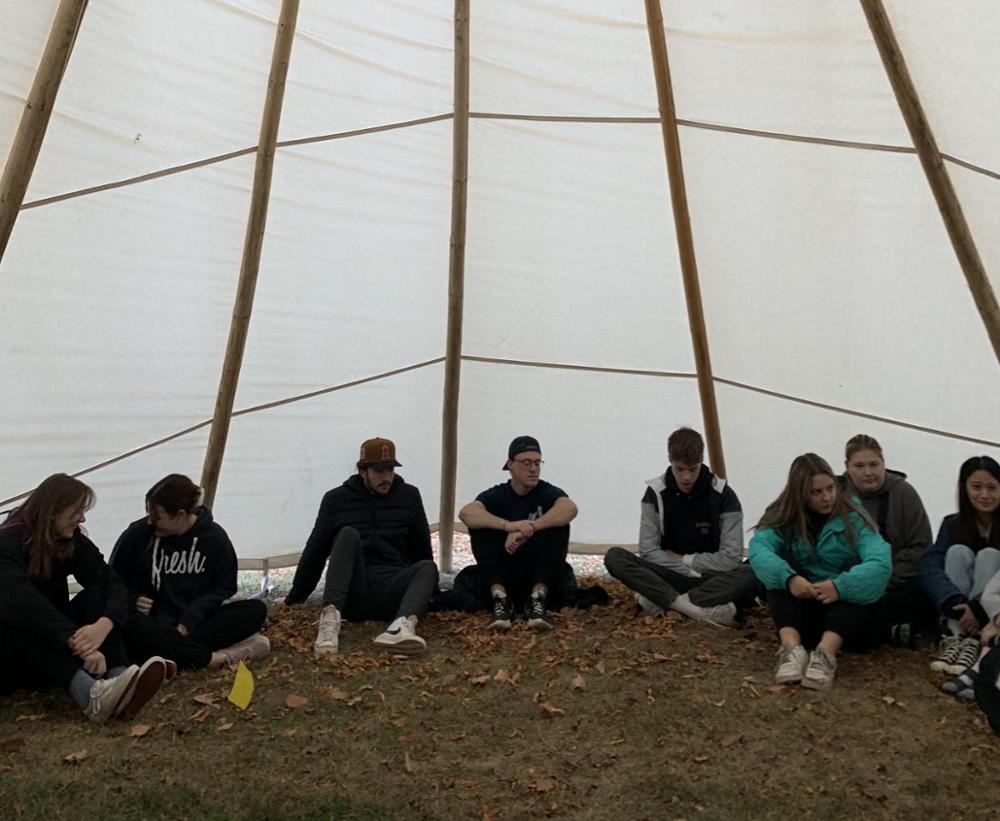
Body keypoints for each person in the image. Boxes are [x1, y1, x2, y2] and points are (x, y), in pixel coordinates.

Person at [0, 474, 167, 723]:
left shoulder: (71, 540)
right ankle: (92, 696)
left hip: (56, 647)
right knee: (20, 620)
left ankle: (119, 681)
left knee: (97, 595)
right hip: (14, 652)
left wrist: (103, 625)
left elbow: (113, 583)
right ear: (53, 510)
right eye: (77, 510)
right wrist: (76, 641)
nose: (83, 518)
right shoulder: (7, 541)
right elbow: (21, 602)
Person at [749, 454, 891, 691]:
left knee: (857, 578)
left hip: (847, 616)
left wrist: (839, 587)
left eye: (830, 488)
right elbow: (759, 549)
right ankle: (791, 649)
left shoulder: (855, 517)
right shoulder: (781, 516)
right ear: (800, 494)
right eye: (817, 492)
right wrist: (791, 579)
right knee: (780, 570)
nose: (827, 497)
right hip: (806, 604)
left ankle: (826, 653)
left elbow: (880, 562)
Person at [284, 437, 437, 656]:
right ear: (362, 470)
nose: (386, 478)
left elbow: (421, 546)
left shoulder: (409, 496)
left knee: (427, 567)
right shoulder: (336, 499)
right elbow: (316, 550)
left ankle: (401, 627)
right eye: (379, 471)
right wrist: (295, 598)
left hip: (393, 585)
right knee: (347, 535)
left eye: (390, 470)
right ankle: (329, 620)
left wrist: (427, 594)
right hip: (355, 590)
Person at [110, 474, 269, 671]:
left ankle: (171, 654)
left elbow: (224, 586)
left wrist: (188, 621)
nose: (151, 522)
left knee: (255, 610)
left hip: (194, 624)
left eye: (158, 517)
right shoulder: (137, 534)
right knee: (135, 629)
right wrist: (133, 600)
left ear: (180, 516)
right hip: (153, 625)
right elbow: (112, 581)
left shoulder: (214, 538)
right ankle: (215, 657)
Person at [604, 427, 746, 627]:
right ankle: (696, 610)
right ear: (670, 461)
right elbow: (648, 550)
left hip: (710, 577)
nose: (686, 477)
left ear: (701, 461)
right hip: (670, 574)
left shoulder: (724, 495)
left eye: (693, 469)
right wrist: (684, 570)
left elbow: (732, 558)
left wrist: (685, 560)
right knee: (615, 557)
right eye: (680, 469)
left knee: (751, 571)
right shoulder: (655, 493)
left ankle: (664, 601)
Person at [458, 435, 578, 631]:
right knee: (480, 525)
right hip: (505, 568)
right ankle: (500, 599)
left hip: (538, 569)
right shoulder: (498, 494)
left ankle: (537, 599)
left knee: (560, 525)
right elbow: (467, 513)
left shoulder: (546, 492)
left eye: (538, 463)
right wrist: (509, 526)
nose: (533, 469)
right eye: (526, 462)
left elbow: (569, 508)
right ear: (510, 464)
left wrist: (531, 527)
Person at [840, 434, 935, 645]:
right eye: (860, 466)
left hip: (895, 581)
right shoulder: (835, 495)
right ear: (847, 467)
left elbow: (921, 547)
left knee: (923, 591)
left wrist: (881, 575)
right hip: (847, 580)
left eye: (874, 465)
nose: (868, 472)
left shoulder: (904, 493)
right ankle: (888, 630)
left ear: (884, 464)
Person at [921, 456, 1000, 677]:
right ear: (964, 488)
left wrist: (977, 607)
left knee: (990, 555)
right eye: (976, 487)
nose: (984, 495)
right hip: (957, 606)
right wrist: (953, 601)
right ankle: (955, 634)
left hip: (992, 610)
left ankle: (975, 639)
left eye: (992, 488)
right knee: (957, 552)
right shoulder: (952, 525)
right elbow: (930, 564)